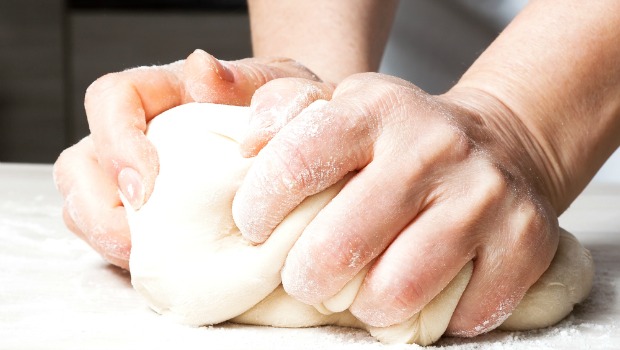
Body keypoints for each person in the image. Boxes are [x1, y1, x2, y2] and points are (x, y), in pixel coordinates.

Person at [53, 0, 620, 338]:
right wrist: (315, 99)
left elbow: (515, 122)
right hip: (413, 88)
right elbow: (320, 114)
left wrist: (517, 120)